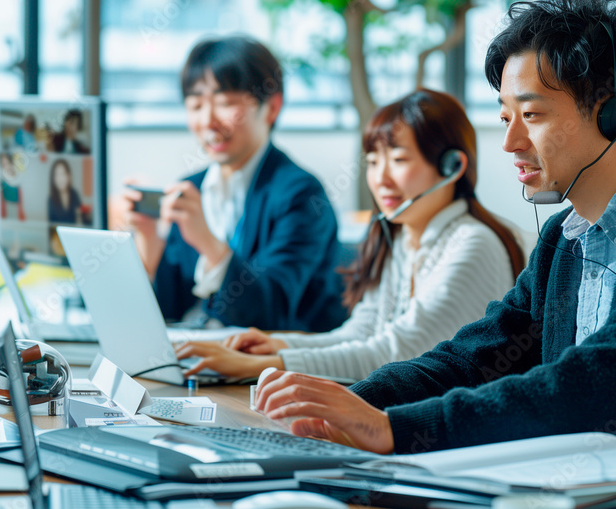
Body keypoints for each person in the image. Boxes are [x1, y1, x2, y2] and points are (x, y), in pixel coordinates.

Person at [254, 0, 616, 469]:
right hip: (588, 497)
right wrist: (355, 401)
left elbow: (592, 388)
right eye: (504, 116)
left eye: (531, 116)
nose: (510, 143)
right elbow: (473, 358)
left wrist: (396, 430)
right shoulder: (565, 238)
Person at [175, 89, 525, 381]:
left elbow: (399, 352)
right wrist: (274, 344)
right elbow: (360, 335)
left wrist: (268, 365)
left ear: (452, 167)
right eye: (373, 161)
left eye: (399, 159)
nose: (380, 178)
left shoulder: (471, 243)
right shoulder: (401, 240)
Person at [115, 36, 347, 332]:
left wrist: (209, 245)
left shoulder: (301, 196)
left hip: (275, 371)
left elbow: (270, 313)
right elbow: (169, 309)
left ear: (272, 107)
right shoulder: (190, 188)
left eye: (225, 103)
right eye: (196, 105)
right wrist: (148, 237)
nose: (208, 120)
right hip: (201, 363)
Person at [48, 158, 83, 224]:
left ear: (68, 176)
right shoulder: (51, 199)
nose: (60, 179)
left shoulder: (74, 194)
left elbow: (80, 220)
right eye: (57, 175)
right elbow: (51, 226)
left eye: (63, 174)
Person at [0, 151, 25, 221]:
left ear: (10, 162)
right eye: (3, 164)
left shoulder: (17, 174)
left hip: (16, 204)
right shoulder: (1, 179)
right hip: (6, 206)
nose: (6, 166)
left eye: (7, 163)